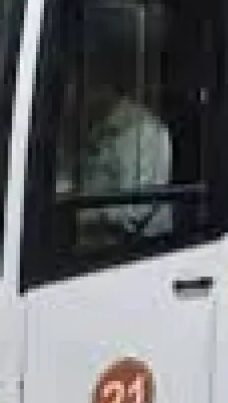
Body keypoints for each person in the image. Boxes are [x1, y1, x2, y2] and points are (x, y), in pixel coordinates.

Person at [56, 22, 173, 245]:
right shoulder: (87, 126)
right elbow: (72, 179)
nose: (70, 99)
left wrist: (80, 214)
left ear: (102, 86)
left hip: (137, 249)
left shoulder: (143, 131)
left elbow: (136, 209)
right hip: (89, 240)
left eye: (78, 88)